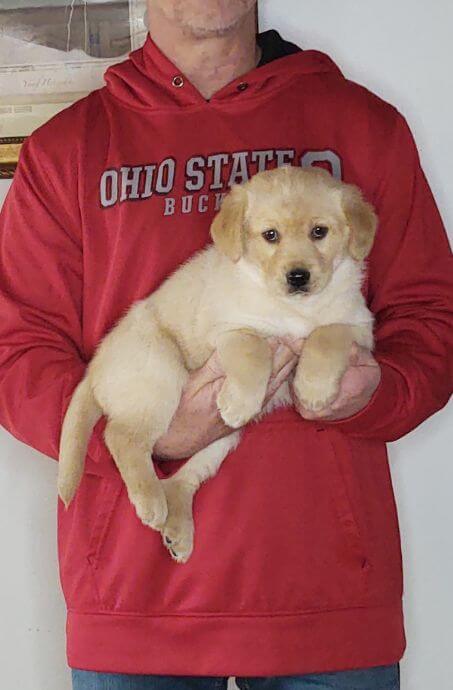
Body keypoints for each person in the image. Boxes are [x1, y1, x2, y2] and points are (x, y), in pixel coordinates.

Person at [0, 1, 451, 689]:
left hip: (325, 601)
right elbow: (15, 351)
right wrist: (148, 431)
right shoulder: (67, 150)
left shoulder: (362, 127)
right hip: (136, 603)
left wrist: (374, 393)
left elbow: (430, 319)